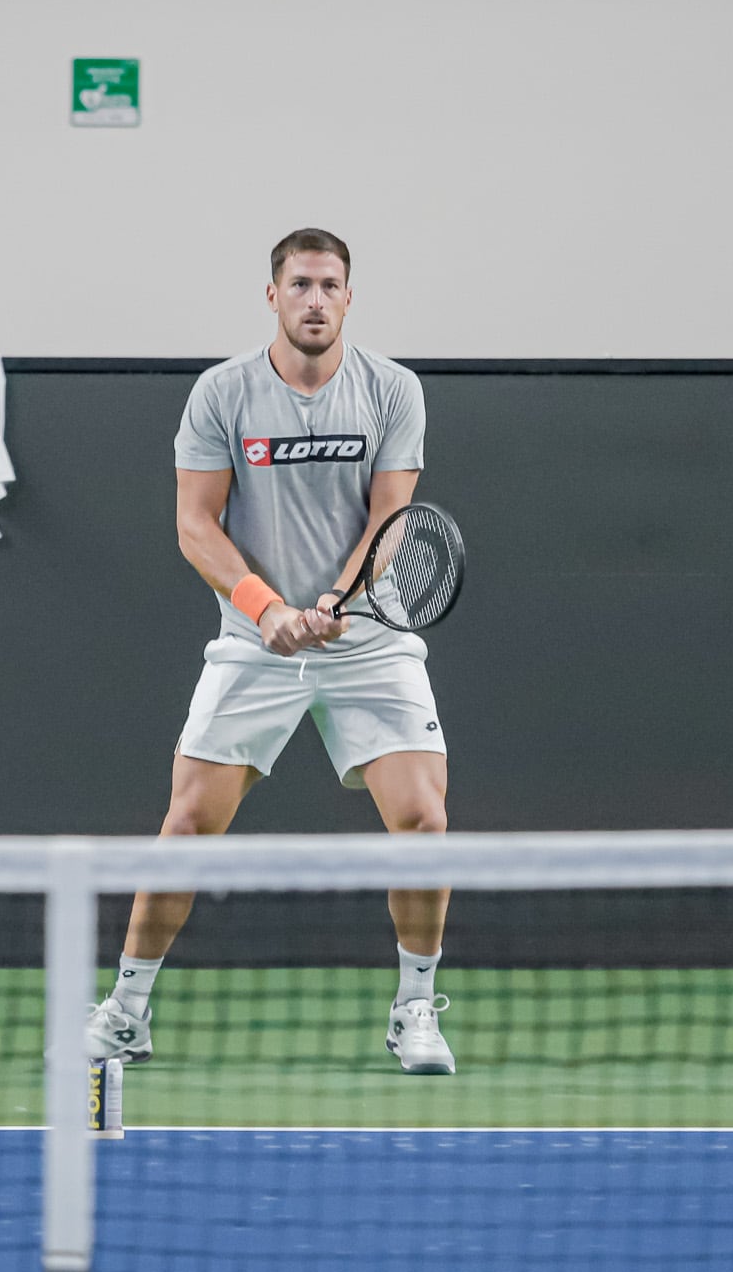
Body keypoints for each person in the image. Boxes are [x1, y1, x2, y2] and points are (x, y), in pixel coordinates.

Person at [86, 227, 456, 1076]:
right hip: (255, 643)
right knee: (187, 824)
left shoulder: (393, 391)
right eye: (300, 284)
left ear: (349, 297)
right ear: (273, 296)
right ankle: (127, 1010)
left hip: (368, 637)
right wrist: (265, 608)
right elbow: (194, 525)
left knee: (426, 820)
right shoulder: (221, 394)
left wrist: (333, 600)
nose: (315, 299)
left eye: (330, 285)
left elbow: (390, 523)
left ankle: (414, 1009)